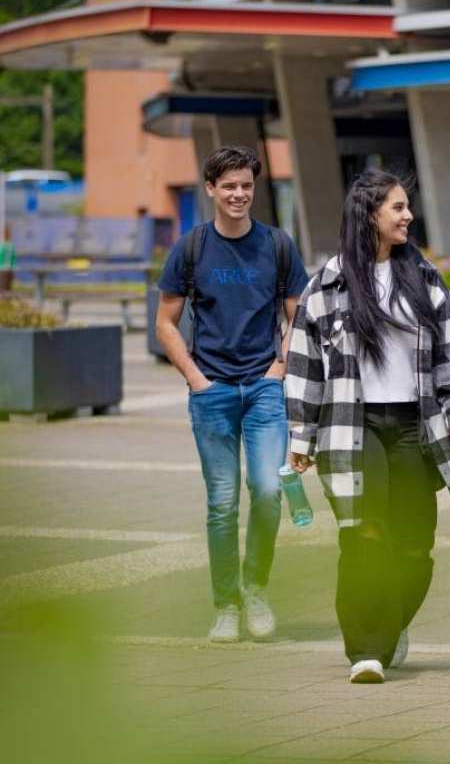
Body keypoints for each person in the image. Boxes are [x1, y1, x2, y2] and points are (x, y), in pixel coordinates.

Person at [284, 170, 450, 685]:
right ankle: (365, 648)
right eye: (397, 207)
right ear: (371, 214)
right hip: (354, 424)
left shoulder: (425, 277)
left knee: (415, 543)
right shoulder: (327, 283)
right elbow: (305, 367)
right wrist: (301, 439)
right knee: (366, 533)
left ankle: (388, 623)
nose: (408, 215)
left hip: (416, 424)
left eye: (406, 207)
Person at [156, 145, 309, 643]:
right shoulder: (191, 248)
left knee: (267, 492)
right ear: (210, 190)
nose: (239, 194)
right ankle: (225, 605)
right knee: (222, 502)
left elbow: (298, 317)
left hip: (264, 389)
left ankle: (255, 588)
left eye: (246, 185)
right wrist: (196, 379)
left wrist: (278, 369)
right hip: (213, 389)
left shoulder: (278, 245)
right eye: (229, 187)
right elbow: (166, 323)